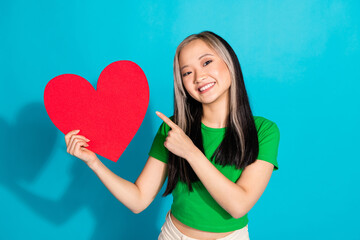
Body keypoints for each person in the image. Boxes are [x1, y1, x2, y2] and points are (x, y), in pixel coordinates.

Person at [65, 31, 280, 240]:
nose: (199, 77)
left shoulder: (264, 131)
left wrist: (191, 153)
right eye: (187, 72)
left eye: (206, 62)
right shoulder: (174, 129)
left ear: (229, 62)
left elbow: (238, 206)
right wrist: (93, 162)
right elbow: (138, 200)